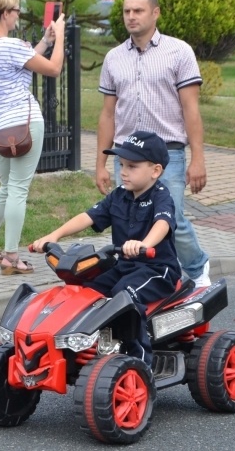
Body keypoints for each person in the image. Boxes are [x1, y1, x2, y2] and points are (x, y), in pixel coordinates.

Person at [32, 130, 180, 367]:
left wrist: (144, 244)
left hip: (156, 269)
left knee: (124, 294)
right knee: (86, 288)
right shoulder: (119, 195)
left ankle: (140, 361)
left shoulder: (161, 197)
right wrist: (55, 234)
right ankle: (84, 347)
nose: (123, 171)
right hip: (124, 265)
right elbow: (89, 216)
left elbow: (162, 223)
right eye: (121, 164)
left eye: (132, 166)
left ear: (155, 171)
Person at [96, 0, 211, 287]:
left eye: (138, 11)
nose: (131, 17)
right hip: (128, 155)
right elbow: (108, 114)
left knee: (173, 222)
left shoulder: (179, 52)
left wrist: (198, 159)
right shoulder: (113, 58)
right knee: (131, 221)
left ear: (155, 13)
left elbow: (191, 109)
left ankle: (198, 271)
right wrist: (100, 164)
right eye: (126, 11)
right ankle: (141, 278)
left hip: (167, 154)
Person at [0, 0, 66, 275]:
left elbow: (21, 61)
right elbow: (53, 68)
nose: (18, 16)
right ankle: (11, 257)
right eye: (15, 11)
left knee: (6, 186)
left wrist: (43, 41)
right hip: (25, 126)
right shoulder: (12, 46)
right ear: (4, 13)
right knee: (18, 190)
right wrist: (59, 38)